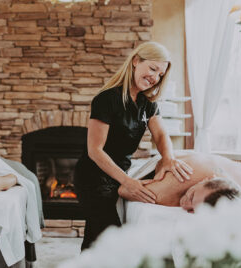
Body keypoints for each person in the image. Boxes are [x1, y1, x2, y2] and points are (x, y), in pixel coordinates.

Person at [74, 41, 193, 250]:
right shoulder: (106, 99)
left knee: (97, 237)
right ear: (136, 61)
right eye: (153, 68)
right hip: (93, 178)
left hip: (121, 174)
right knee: (109, 237)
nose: (155, 77)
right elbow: (95, 150)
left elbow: (161, 134)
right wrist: (127, 182)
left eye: (160, 74)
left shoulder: (148, 103)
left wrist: (168, 159)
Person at [119, 152, 241, 212]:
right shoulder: (176, 183)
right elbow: (123, 190)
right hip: (153, 164)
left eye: (192, 211)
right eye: (191, 196)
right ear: (206, 179)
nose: (185, 206)